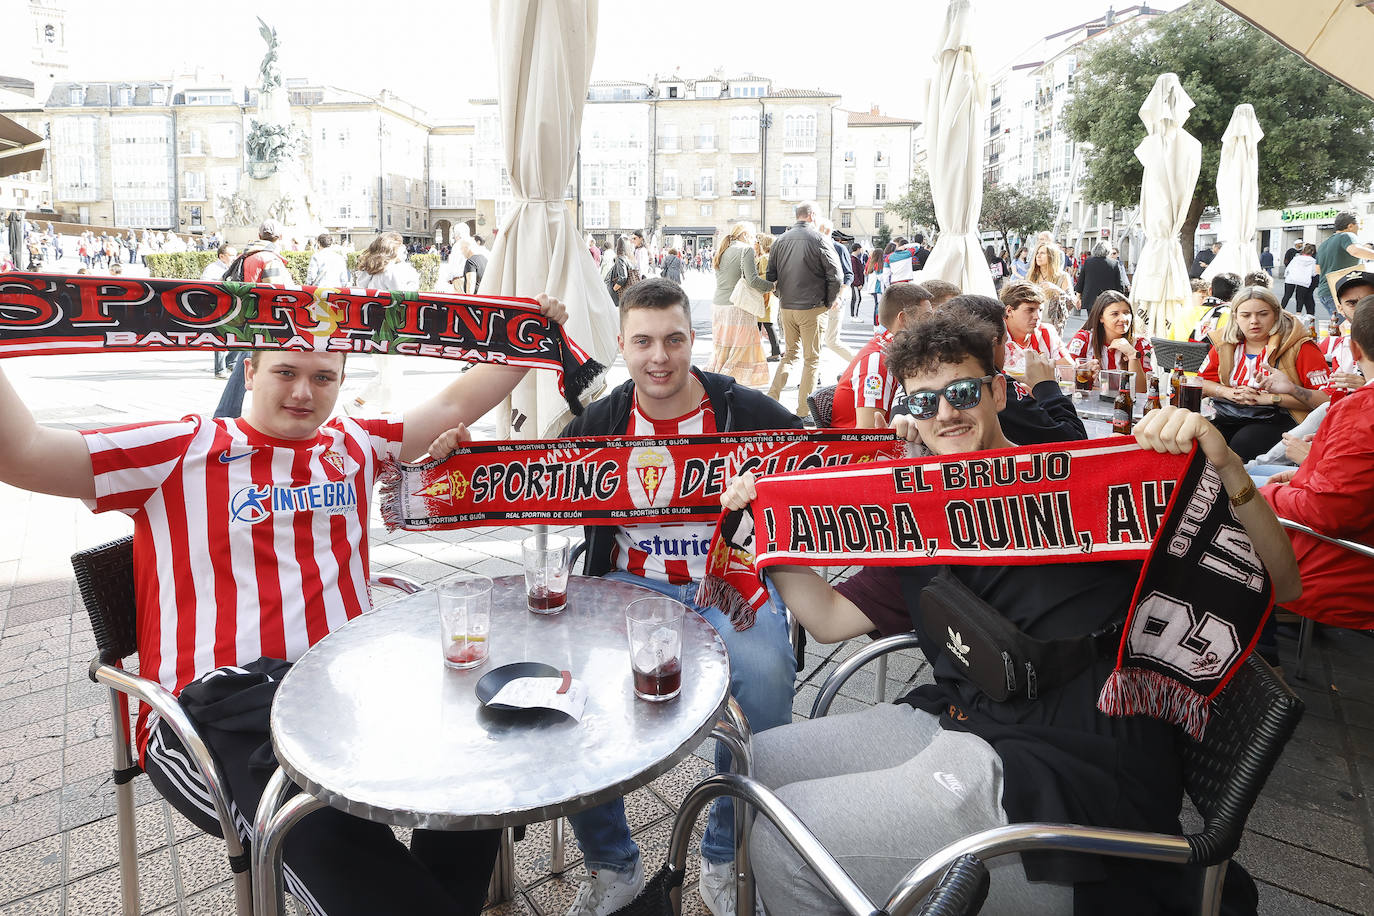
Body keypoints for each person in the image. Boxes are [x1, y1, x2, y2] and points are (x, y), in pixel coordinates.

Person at [0, 293, 571, 916]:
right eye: (286, 371)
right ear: (248, 371)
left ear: (341, 382)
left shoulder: (353, 445)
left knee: (483, 759)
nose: (304, 392)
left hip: (343, 694)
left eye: (323, 376)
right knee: (335, 841)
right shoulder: (178, 450)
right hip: (217, 714)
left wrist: (530, 334)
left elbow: (455, 404)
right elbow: (23, 453)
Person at [719, 312, 1299, 915]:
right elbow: (830, 618)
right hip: (967, 719)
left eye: (963, 392)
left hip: (1064, 781)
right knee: (761, 765)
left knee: (790, 846)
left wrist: (1226, 466)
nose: (946, 413)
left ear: (998, 391)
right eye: (924, 401)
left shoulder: (1084, 487)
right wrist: (763, 531)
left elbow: (1282, 583)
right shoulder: (917, 508)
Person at [558, 279, 799, 916]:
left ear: (694, 339)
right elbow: (528, 472)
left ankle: (724, 851)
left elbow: (817, 458)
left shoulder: (741, 407)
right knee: (573, 687)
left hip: (728, 581)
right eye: (642, 342)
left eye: (673, 339)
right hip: (631, 582)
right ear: (622, 347)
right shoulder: (605, 420)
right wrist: (455, 461)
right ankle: (613, 861)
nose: (658, 356)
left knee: (770, 677)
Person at [1259, 292, 1374, 627]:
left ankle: (1262, 662)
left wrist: (1271, 497)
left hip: (1347, 571)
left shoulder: (1362, 410)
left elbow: (1330, 511)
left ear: (1354, 351)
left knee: (1224, 512)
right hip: (1349, 539)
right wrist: (1300, 480)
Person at [1198, 285, 1330, 461]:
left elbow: (1326, 402)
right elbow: (1200, 383)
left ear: (1276, 314)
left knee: (1242, 444)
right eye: (1246, 315)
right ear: (1235, 317)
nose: (1254, 321)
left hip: (1283, 419)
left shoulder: (1301, 347)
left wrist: (1270, 398)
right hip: (1231, 413)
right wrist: (1228, 392)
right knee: (1200, 440)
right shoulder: (1225, 344)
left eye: (1262, 314)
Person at [943, 294, 1086, 446]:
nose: (1036, 317)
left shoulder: (936, 387)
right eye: (1005, 342)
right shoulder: (993, 387)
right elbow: (1074, 440)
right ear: (993, 344)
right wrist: (1047, 388)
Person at [765, 201, 844, 420]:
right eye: (817, 216)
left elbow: (770, 276)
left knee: (790, 355)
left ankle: (770, 401)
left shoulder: (780, 240)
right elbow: (836, 275)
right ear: (811, 216)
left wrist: (781, 296)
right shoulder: (819, 239)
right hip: (812, 307)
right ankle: (804, 410)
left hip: (787, 307)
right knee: (812, 359)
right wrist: (828, 301)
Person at [213, 220, 292, 419]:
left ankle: (228, 413)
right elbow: (278, 293)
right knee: (253, 368)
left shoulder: (246, 255)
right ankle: (229, 413)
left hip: (248, 317)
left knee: (247, 366)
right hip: (265, 322)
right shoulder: (269, 258)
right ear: (279, 237)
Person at [830, 282, 934, 429]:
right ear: (903, 319)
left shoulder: (890, 351)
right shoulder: (877, 360)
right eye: (927, 317)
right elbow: (868, 432)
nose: (932, 324)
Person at [348, 231, 420, 414]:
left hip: (372, 326)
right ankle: (387, 414)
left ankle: (356, 403)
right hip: (391, 326)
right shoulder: (391, 271)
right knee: (392, 374)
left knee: (386, 371)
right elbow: (403, 298)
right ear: (393, 249)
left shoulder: (368, 272)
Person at [709, 222, 773, 387]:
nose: (753, 240)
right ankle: (732, 384)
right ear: (744, 234)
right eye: (752, 236)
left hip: (718, 306)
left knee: (723, 347)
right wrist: (772, 286)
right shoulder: (746, 250)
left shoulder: (722, 251)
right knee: (741, 347)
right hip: (738, 306)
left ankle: (717, 382)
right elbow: (752, 280)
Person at [1067, 291, 1152, 392]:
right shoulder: (1083, 339)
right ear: (1101, 317)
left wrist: (1132, 354)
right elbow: (1066, 379)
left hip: (1126, 406)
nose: (1123, 318)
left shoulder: (1141, 344)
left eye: (1126, 313)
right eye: (1115, 314)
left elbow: (1141, 392)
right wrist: (1082, 371)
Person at [1000, 280, 1071, 374]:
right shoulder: (995, 338)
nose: (1037, 317)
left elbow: (1069, 371)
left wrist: (1083, 369)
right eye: (1030, 310)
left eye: (1040, 310)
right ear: (1009, 311)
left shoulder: (1047, 332)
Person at [1314, 211, 1374, 317]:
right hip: (1341, 291)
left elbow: (1318, 269)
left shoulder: (1324, 244)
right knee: (1352, 327)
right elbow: (1355, 251)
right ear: (1350, 226)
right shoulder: (1347, 235)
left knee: (1341, 327)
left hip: (1325, 292)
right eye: (1359, 225)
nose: (1359, 229)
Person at [817, 219, 855, 364]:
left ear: (826, 231)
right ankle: (815, 374)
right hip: (819, 300)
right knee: (817, 340)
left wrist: (839, 297)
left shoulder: (838, 248)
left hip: (834, 299)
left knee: (831, 341)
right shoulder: (817, 247)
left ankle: (858, 363)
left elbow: (848, 275)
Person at [199, 244, 238, 377]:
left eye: (235, 255)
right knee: (221, 337)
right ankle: (220, 369)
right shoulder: (212, 268)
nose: (234, 258)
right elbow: (204, 286)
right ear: (222, 256)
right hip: (217, 307)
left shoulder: (235, 268)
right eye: (231, 255)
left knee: (239, 334)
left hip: (233, 306)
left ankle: (231, 362)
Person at [1073, 242, 1123, 320]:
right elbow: (1119, 284)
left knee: (1092, 320)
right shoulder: (1114, 263)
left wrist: (1078, 297)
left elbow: (1081, 280)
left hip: (1090, 298)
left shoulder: (1088, 262)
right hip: (1108, 298)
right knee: (1106, 321)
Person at [1026, 240, 1073, 315]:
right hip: (1031, 321)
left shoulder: (1062, 277)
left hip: (1052, 323)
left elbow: (1070, 304)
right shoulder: (1031, 275)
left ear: (1052, 256)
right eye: (1037, 253)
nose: (1038, 256)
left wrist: (1057, 290)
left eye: (1043, 253)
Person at [754, 235, 781, 361]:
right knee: (764, 324)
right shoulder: (773, 257)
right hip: (770, 296)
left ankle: (773, 352)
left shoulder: (765, 258)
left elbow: (764, 278)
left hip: (765, 296)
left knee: (764, 325)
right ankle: (773, 351)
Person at [1281, 242, 1319, 315]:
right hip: (1303, 280)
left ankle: (1281, 310)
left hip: (1291, 279)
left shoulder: (1296, 258)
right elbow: (1314, 273)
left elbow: (1288, 268)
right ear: (1313, 252)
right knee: (1300, 297)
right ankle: (1298, 313)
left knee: (1287, 295)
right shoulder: (1313, 261)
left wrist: (1286, 276)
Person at [604, 236, 637, 306]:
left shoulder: (620, 258)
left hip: (617, 295)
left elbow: (623, 278)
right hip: (624, 293)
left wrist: (613, 289)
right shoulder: (629, 258)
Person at [848, 241, 867, 318]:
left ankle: (854, 315)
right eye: (860, 249)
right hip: (856, 283)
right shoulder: (853, 259)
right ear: (857, 249)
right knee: (857, 299)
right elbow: (854, 272)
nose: (860, 251)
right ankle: (854, 316)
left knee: (855, 298)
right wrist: (858, 283)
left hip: (856, 283)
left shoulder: (855, 259)